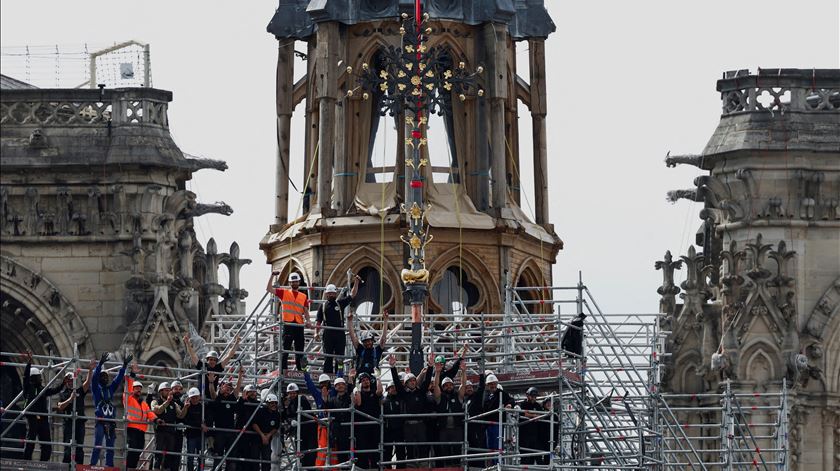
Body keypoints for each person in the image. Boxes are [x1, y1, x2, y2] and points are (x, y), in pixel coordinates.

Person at [388, 354, 431, 467]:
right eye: (410, 381)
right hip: (408, 425)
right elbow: (397, 382)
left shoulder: (420, 393)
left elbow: (426, 383)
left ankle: (423, 465)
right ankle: (411, 465)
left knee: (423, 445)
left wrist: (430, 367)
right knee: (410, 447)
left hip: (420, 424)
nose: (413, 382)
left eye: (414, 380)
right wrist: (393, 367)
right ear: (406, 383)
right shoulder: (404, 394)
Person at [21, 352, 64, 461]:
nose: (40, 379)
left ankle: (44, 463)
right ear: (33, 378)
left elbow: (54, 390)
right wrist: (29, 363)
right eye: (38, 377)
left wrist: (63, 383)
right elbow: (25, 377)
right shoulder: (28, 388)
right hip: (32, 416)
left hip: (43, 418)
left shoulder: (42, 389)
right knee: (30, 441)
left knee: (46, 444)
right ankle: (26, 462)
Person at [314, 274, 360, 374]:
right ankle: (327, 375)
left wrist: (356, 282)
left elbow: (352, 294)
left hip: (339, 334)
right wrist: (316, 333)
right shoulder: (322, 307)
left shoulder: (340, 303)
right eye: (329, 293)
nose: (331, 295)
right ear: (326, 294)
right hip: (328, 334)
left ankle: (339, 375)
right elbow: (318, 321)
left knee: (340, 357)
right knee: (328, 357)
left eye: (333, 293)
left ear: (335, 294)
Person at [267, 271, 311, 372]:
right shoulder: (284, 292)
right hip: (288, 324)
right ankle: (283, 369)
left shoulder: (303, 296)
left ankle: (300, 370)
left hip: (299, 324)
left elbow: (305, 310)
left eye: (296, 282)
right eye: (292, 282)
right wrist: (272, 276)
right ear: (290, 283)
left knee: (300, 349)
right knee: (285, 348)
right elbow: (269, 289)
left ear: (299, 282)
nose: (294, 283)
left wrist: (308, 320)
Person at [90, 352, 128, 467]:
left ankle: (109, 466)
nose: (105, 378)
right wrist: (100, 364)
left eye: (106, 376)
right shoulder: (96, 390)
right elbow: (94, 379)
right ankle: (92, 465)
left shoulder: (110, 389)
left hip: (110, 422)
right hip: (101, 421)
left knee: (110, 447)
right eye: (103, 376)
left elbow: (117, 380)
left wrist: (124, 367)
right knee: (98, 445)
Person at [55, 360, 95, 464]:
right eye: (67, 381)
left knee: (79, 449)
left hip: (79, 422)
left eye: (71, 380)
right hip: (68, 422)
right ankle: (65, 468)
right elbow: (60, 407)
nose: (69, 382)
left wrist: (90, 370)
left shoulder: (79, 391)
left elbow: (87, 382)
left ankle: (79, 468)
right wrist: (70, 399)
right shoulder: (63, 394)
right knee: (68, 449)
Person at [432, 358, 467, 467]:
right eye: (446, 385)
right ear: (443, 387)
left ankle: (457, 467)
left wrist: (463, 371)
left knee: (457, 451)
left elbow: (463, 384)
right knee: (445, 451)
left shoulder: (458, 396)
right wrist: (437, 372)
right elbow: (435, 386)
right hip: (443, 429)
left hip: (456, 428)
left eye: (450, 385)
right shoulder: (439, 397)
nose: (448, 387)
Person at [303, 371, 342, 467]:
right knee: (322, 448)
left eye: (325, 383)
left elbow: (339, 381)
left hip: (333, 425)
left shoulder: (333, 392)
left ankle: (334, 468)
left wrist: (340, 368)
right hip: (322, 425)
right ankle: (320, 468)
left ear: (329, 383)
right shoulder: (318, 394)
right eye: (322, 383)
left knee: (334, 449)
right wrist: (304, 372)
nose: (324, 385)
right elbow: (310, 385)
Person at [209, 367, 243, 471]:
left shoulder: (232, 398)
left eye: (229, 387)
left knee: (231, 459)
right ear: (221, 387)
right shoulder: (218, 398)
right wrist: (211, 382)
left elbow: (237, 389)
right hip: (220, 432)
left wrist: (240, 376)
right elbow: (212, 393)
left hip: (230, 432)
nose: (228, 388)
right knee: (218, 457)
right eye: (226, 386)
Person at [125, 365, 158, 469]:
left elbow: (149, 412)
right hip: (132, 428)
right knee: (132, 450)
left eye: (140, 389)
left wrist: (156, 419)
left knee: (138, 450)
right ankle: (129, 468)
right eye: (136, 389)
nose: (138, 390)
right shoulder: (129, 398)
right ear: (132, 389)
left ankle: (132, 468)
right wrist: (132, 375)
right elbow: (128, 387)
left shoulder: (142, 403)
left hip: (141, 430)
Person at [281, 382, 316, 468]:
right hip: (299, 432)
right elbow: (287, 416)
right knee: (300, 454)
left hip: (309, 431)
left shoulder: (302, 400)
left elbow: (306, 414)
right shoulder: (290, 404)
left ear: (297, 393)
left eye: (294, 393)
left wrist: (296, 420)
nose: (292, 395)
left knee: (310, 454)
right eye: (290, 393)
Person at [352, 372, 383, 469]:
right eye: (363, 380)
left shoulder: (374, 392)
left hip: (374, 427)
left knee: (375, 450)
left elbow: (380, 391)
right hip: (362, 428)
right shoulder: (359, 393)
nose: (366, 382)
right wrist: (357, 388)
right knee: (363, 451)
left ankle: (375, 467)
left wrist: (378, 378)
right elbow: (359, 402)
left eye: (367, 380)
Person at [481, 374, 514, 460]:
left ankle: (498, 463)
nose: (493, 386)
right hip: (487, 424)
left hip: (497, 424)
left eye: (494, 384)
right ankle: (491, 464)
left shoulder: (500, 393)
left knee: (497, 445)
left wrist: (509, 405)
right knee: (489, 447)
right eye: (491, 384)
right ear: (487, 385)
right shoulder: (485, 394)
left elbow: (511, 400)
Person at [151, 382, 182, 471]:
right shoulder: (155, 401)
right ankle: (155, 468)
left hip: (171, 432)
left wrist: (186, 407)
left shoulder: (174, 403)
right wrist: (167, 402)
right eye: (166, 390)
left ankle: (166, 468)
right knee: (158, 453)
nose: (168, 392)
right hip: (160, 431)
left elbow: (180, 415)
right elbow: (157, 411)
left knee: (169, 454)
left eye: (169, 390)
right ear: (161, 392)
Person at [347, 309, 388, 376]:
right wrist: (350, 321)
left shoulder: (377, 350)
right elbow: (353, 337)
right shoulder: (360, 349)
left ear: (372, 340)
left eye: (369, 341)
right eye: (365, 342)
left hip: (373, 379)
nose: (368, 343)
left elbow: (383, 338)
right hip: (360, 378)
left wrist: (385, 320)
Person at [324, 376, 353, 465]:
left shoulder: (349, 397)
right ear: (335, 387)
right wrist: (325, 400)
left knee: (351, 452)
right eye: (338, 385)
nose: (340, 386)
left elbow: (351, 390)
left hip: (349, 429)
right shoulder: (332, 400)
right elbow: (327, 412)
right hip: (338, 431)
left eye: (342, 384)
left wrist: (351, 379)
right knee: (341, 455)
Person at [178, 387, 207, 471]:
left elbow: (206, 419)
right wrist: (200, 425)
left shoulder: (202, 407)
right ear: (189, 398)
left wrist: (203, 424)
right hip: (191, 435)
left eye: (196, 397)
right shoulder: (187, 407)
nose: (194, 399)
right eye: (192, 398)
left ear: (199, 397)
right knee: (190, 457)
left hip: (200, 435)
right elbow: (186, 420)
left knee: (201, 457)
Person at [235, 384, 262, 471]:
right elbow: (237, 410)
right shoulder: (241, 402)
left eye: (254, 392)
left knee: (254, 457)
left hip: (254, 435)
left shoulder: (258, 404)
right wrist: (242, 399)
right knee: (243, 457)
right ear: (246, 393)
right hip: (243, 435)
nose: (253, 394)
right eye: (250, 392)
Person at [252, 394, 282, 471]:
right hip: (256, 438)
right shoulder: (261, 411)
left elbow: (276, 427)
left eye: (275, 403)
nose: (274, 405)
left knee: (266, 460)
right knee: (255, 459)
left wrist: (268, 436)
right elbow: (254, 424)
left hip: (267, 439)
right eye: (272, 403)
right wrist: (262, 435)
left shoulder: (276, 414)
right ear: (267, 403)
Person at [380, 380, 405, 469]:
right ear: (388, 389)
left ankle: (401, 468)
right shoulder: (384, 401)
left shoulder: (400, 399)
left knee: (401, 450)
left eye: (395, 387)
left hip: (399, 428)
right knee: (387, 450)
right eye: (391, 387)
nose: (394, 389)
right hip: (388, 429)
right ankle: (387, 467)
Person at [519, 387, 547, 465]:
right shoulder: (523, 404)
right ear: (527, 395)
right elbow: (523, 413)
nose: (534, 398)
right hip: (524, 436)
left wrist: (532, 415)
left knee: (537, 457)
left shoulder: (537, 405)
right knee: (525, 458)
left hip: (535, 436)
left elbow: (542, 415)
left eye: (535, 396)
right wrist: (534, 416)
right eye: (532, 396)